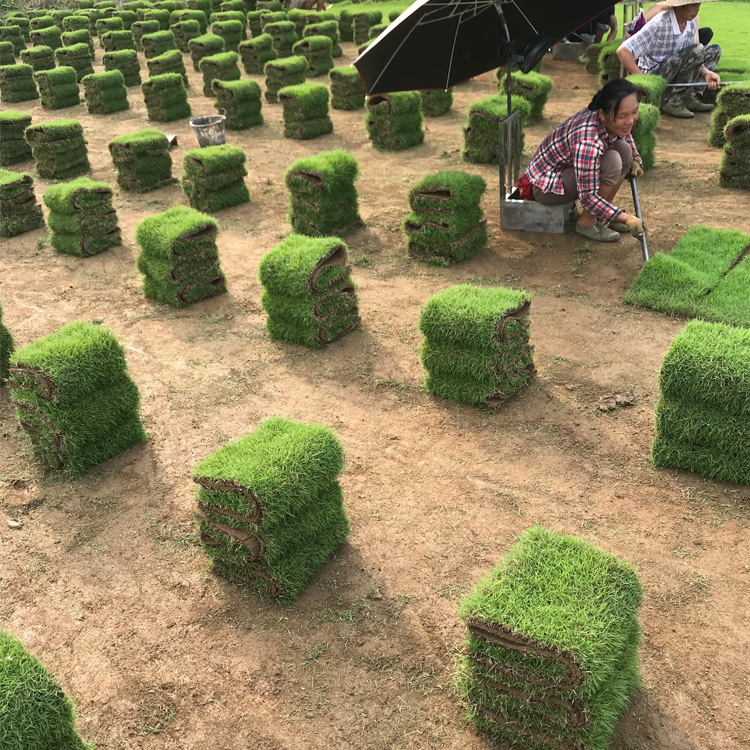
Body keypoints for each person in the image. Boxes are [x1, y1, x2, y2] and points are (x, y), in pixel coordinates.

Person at [517, 79, 645, 243]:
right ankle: (586, 222)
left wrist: (635, 158)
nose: (631, 120)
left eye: (634, 112)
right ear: (602, 115)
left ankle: (603, 218)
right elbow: (588, 197)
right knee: (612, 160)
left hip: (567, 171)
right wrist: (627, 219)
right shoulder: (587, 141)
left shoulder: (606, 117)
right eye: (623, 115)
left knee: (624, 150)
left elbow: (625, 132)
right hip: (544, 186)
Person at [617, 1, 721, 118]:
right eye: (694, 5)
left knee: (714, 50)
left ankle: (690, 95)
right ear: (680, 6)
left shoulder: (690, 23)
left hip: (674, 67)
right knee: (695, 50)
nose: (697, 10)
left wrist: (707, 73)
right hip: (654, 73)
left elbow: (694, 58)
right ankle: (673, 102)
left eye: (699, 5)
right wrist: (642, 78)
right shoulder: (659, 23)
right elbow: (623, 51)